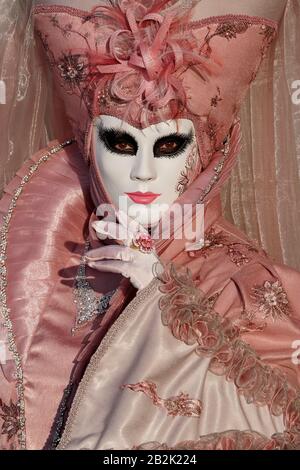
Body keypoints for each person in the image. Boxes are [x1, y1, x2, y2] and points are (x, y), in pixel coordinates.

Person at [1, 0, 300, 451]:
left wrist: (163, 302)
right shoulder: (32, 253)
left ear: (206, 152)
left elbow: (274, 423)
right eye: (121, 142)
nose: (143, 172)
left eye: (169, 145)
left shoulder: (246, 286)